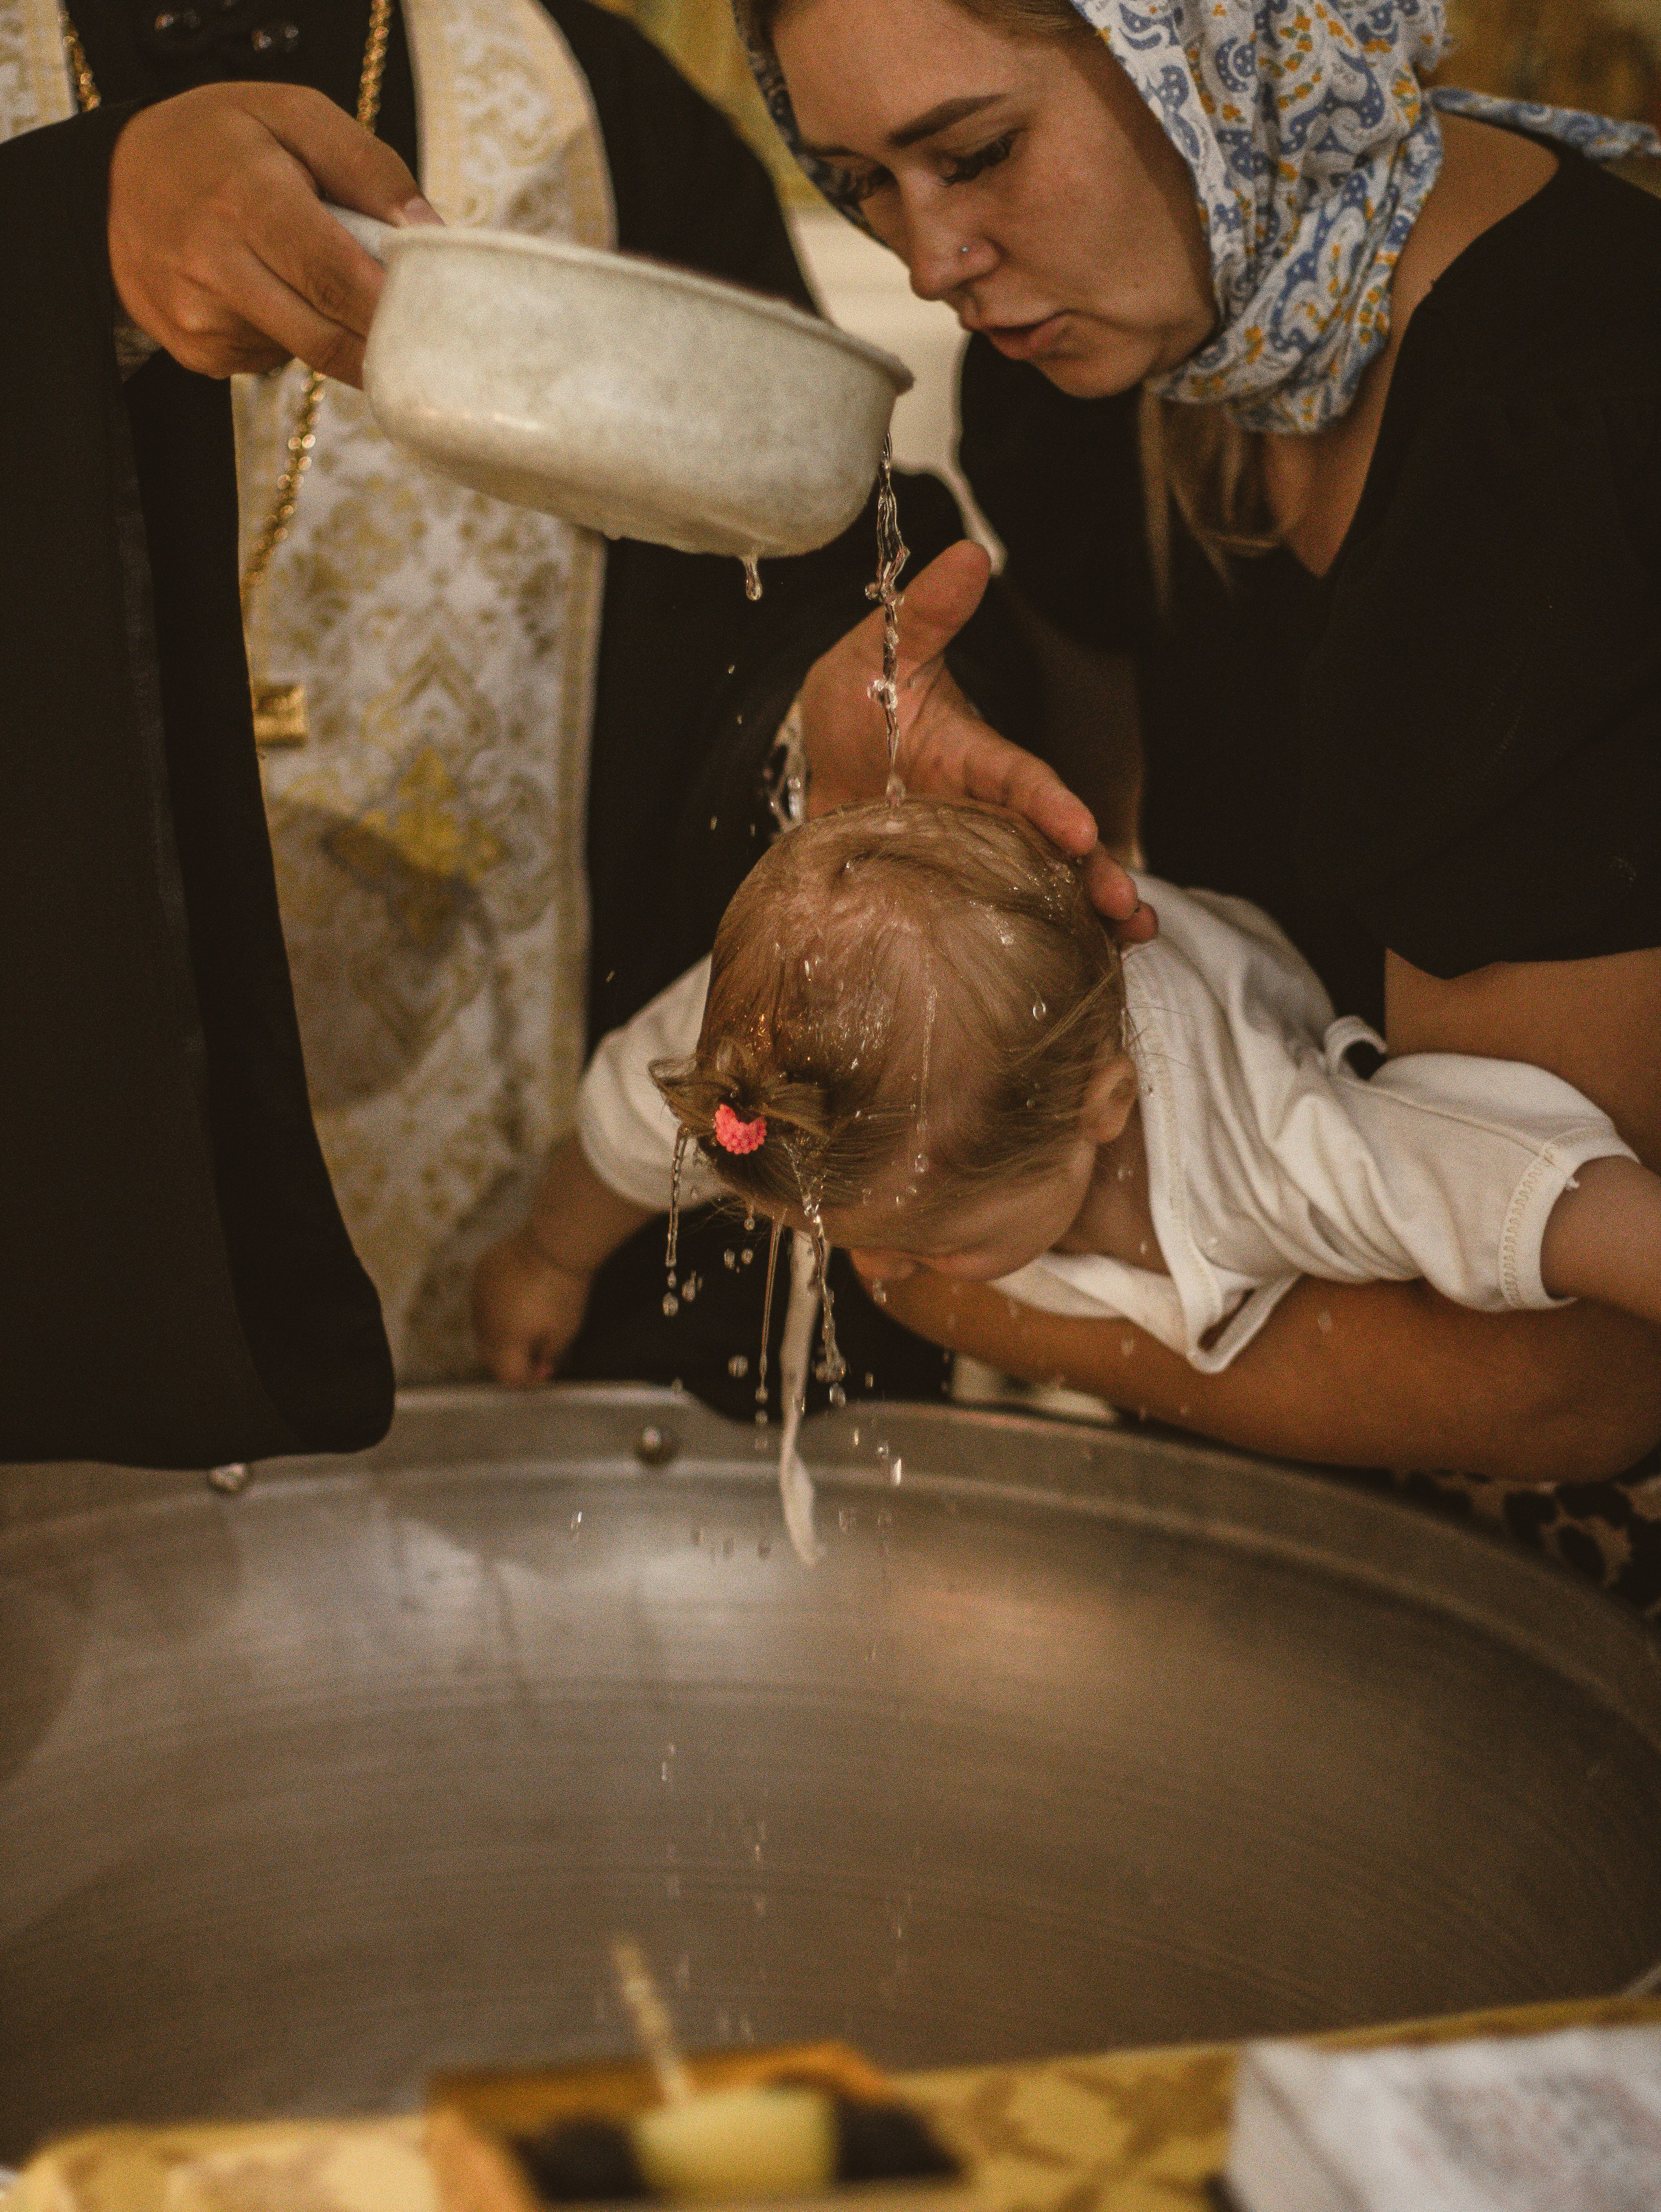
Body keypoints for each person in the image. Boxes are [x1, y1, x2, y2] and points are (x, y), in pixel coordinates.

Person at [0, 0, 1143, 1456]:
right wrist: (51, 243)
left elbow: (789, 579)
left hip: (536, 1216)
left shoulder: (585, 112)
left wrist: (818, 716)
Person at [709, 0, 1661, 1597]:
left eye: (978, 151)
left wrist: (940, 1278)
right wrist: (870, 797)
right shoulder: (1134, 358)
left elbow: (1566, 1375)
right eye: (859, 177)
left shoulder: (1553, 432)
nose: (933, 257)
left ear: (1226, 42)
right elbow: (1111, 876)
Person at [474, 801, 1661, 1410]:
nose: (876, 1267)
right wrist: (547, 1255)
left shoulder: (1274, 1163)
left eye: (932, 1242)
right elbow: (635, 1122)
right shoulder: (783, 1060)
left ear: (1105, 1108)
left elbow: (1512, 1190)